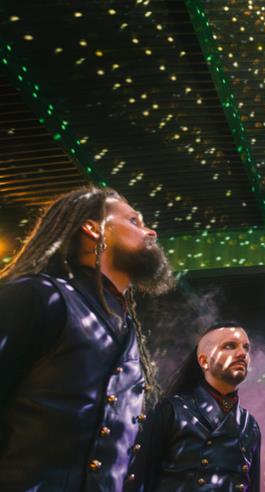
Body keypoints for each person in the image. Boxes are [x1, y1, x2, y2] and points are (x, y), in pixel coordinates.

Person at [0, 185, 174, 491]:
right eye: (134, 221)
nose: (151, 232)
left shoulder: (127, 327)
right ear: (94, 229)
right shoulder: (38, 295)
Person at [125, 321, 261, 491]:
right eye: (230, 346)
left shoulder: (250, 425)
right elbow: (138, 481)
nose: (242, 353)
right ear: (204, 361)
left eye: (246, 348)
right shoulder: (171, 410)